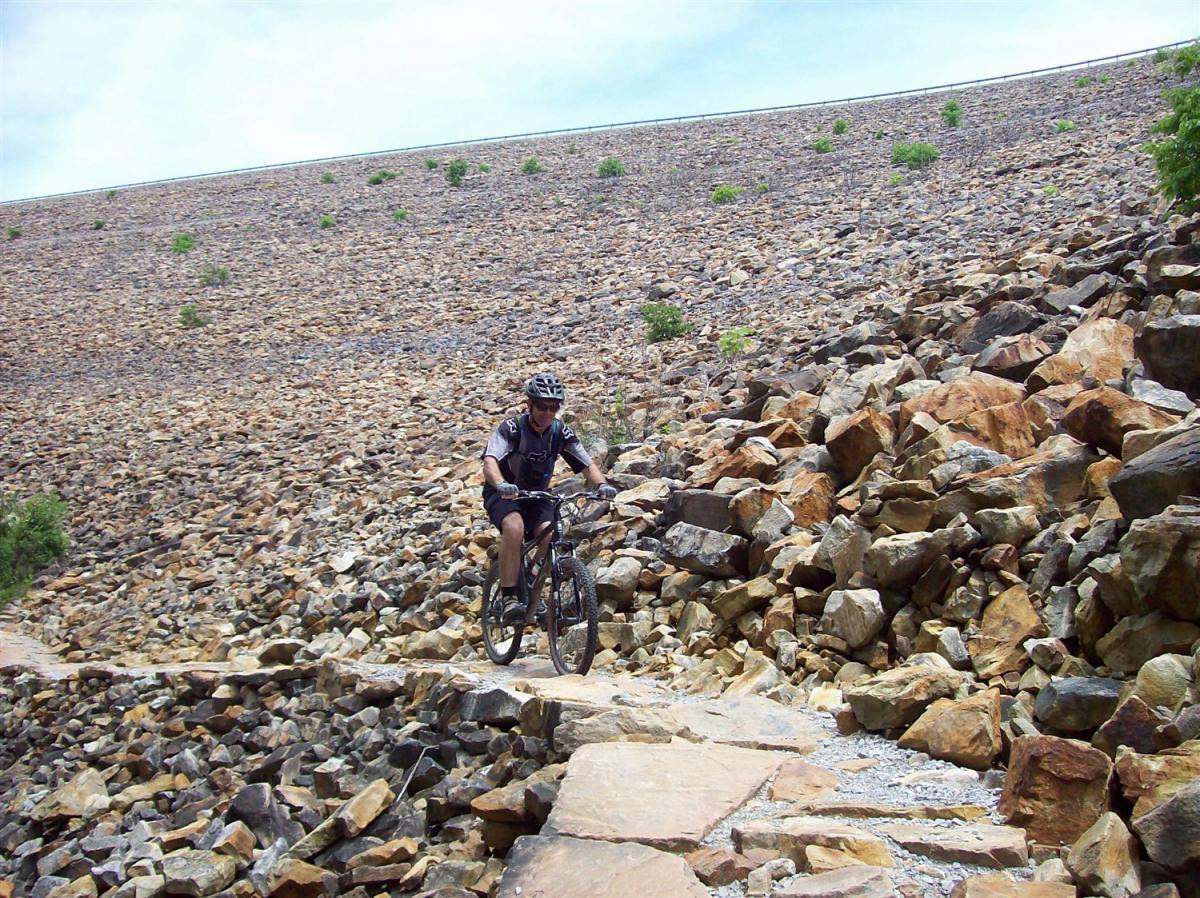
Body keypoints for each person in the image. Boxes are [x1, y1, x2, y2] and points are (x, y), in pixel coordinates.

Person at [482, 373, 617, 623]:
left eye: (553, 407)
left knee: (551, 535)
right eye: (542, 406)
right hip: (504, 494)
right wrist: (501, 483)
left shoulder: (560, 432)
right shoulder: (511, 429)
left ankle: (532, 579)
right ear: (529, 405)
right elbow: (490, 461)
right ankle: (509, 597)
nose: (547, 412)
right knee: (514, 527)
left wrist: (601, 485)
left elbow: (587, 463)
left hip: (538, 496)